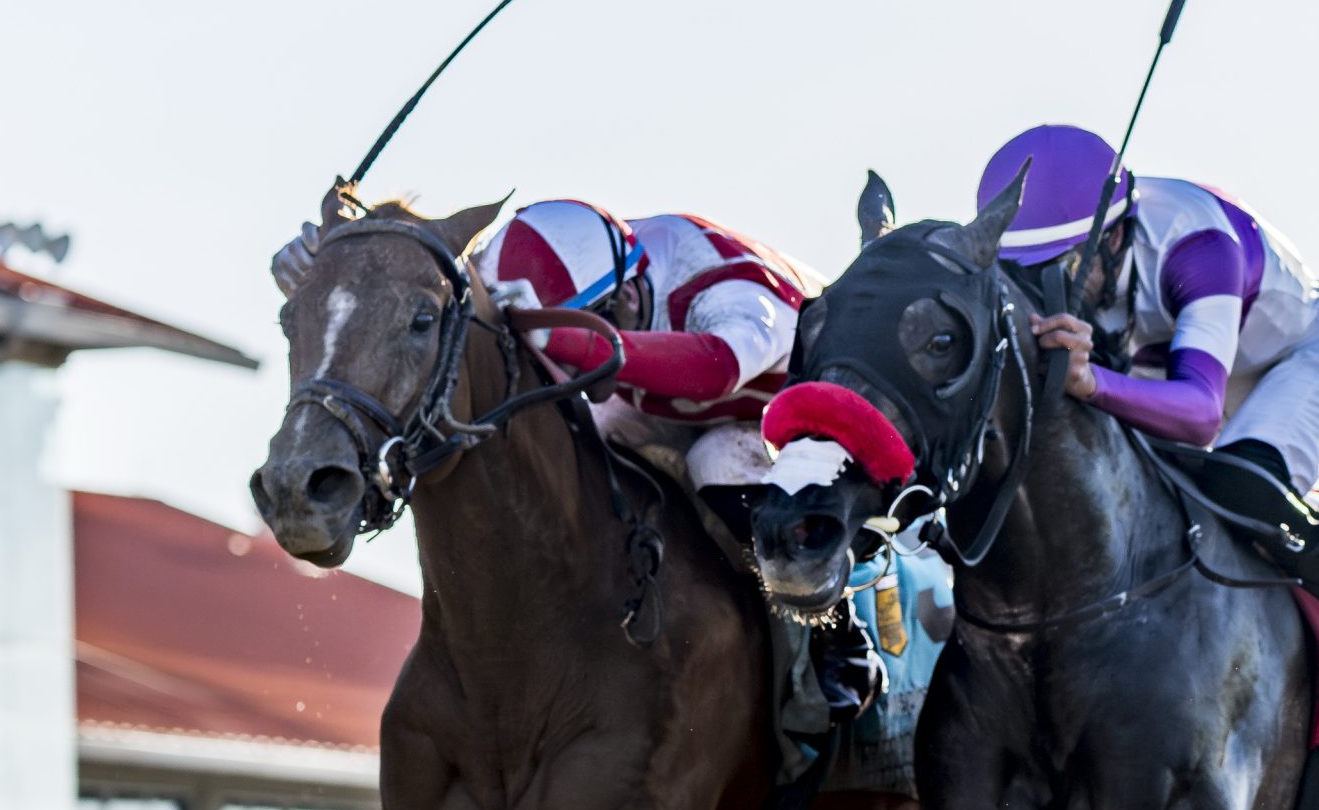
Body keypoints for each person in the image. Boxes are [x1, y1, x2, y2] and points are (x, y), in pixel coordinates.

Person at [271, 197, 880, 720]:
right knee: (582, 431)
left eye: (599, 321)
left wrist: (566, 339)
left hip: (787, 411)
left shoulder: (733, 291)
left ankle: (841, 635)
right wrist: (333, 261)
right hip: (677, 400)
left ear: (630, 287)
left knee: (716, 460)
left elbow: (713, 368)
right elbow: (421, 273)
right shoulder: (567, 262)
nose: (571, 370)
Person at [976, 124, 1319, 737]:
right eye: (1025, 270)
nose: (1043, 285)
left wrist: (1093, 385)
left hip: (1298, 359)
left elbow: (1196, 417)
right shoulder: (1090, 253)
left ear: (1112, 236)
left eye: (1059, 267)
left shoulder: (1197, 245)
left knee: (1241, 482)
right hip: (1177, 355)